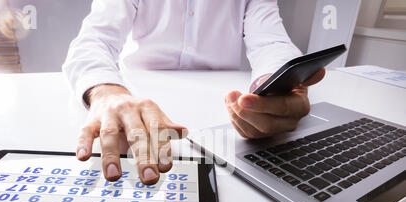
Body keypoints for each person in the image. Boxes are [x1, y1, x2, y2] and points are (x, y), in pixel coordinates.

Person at [63, 0, 325, 185]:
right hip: (136, 112)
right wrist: (107, 91)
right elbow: (94, 39)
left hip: (223, 123)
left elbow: (272, 42)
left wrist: (275, 84)